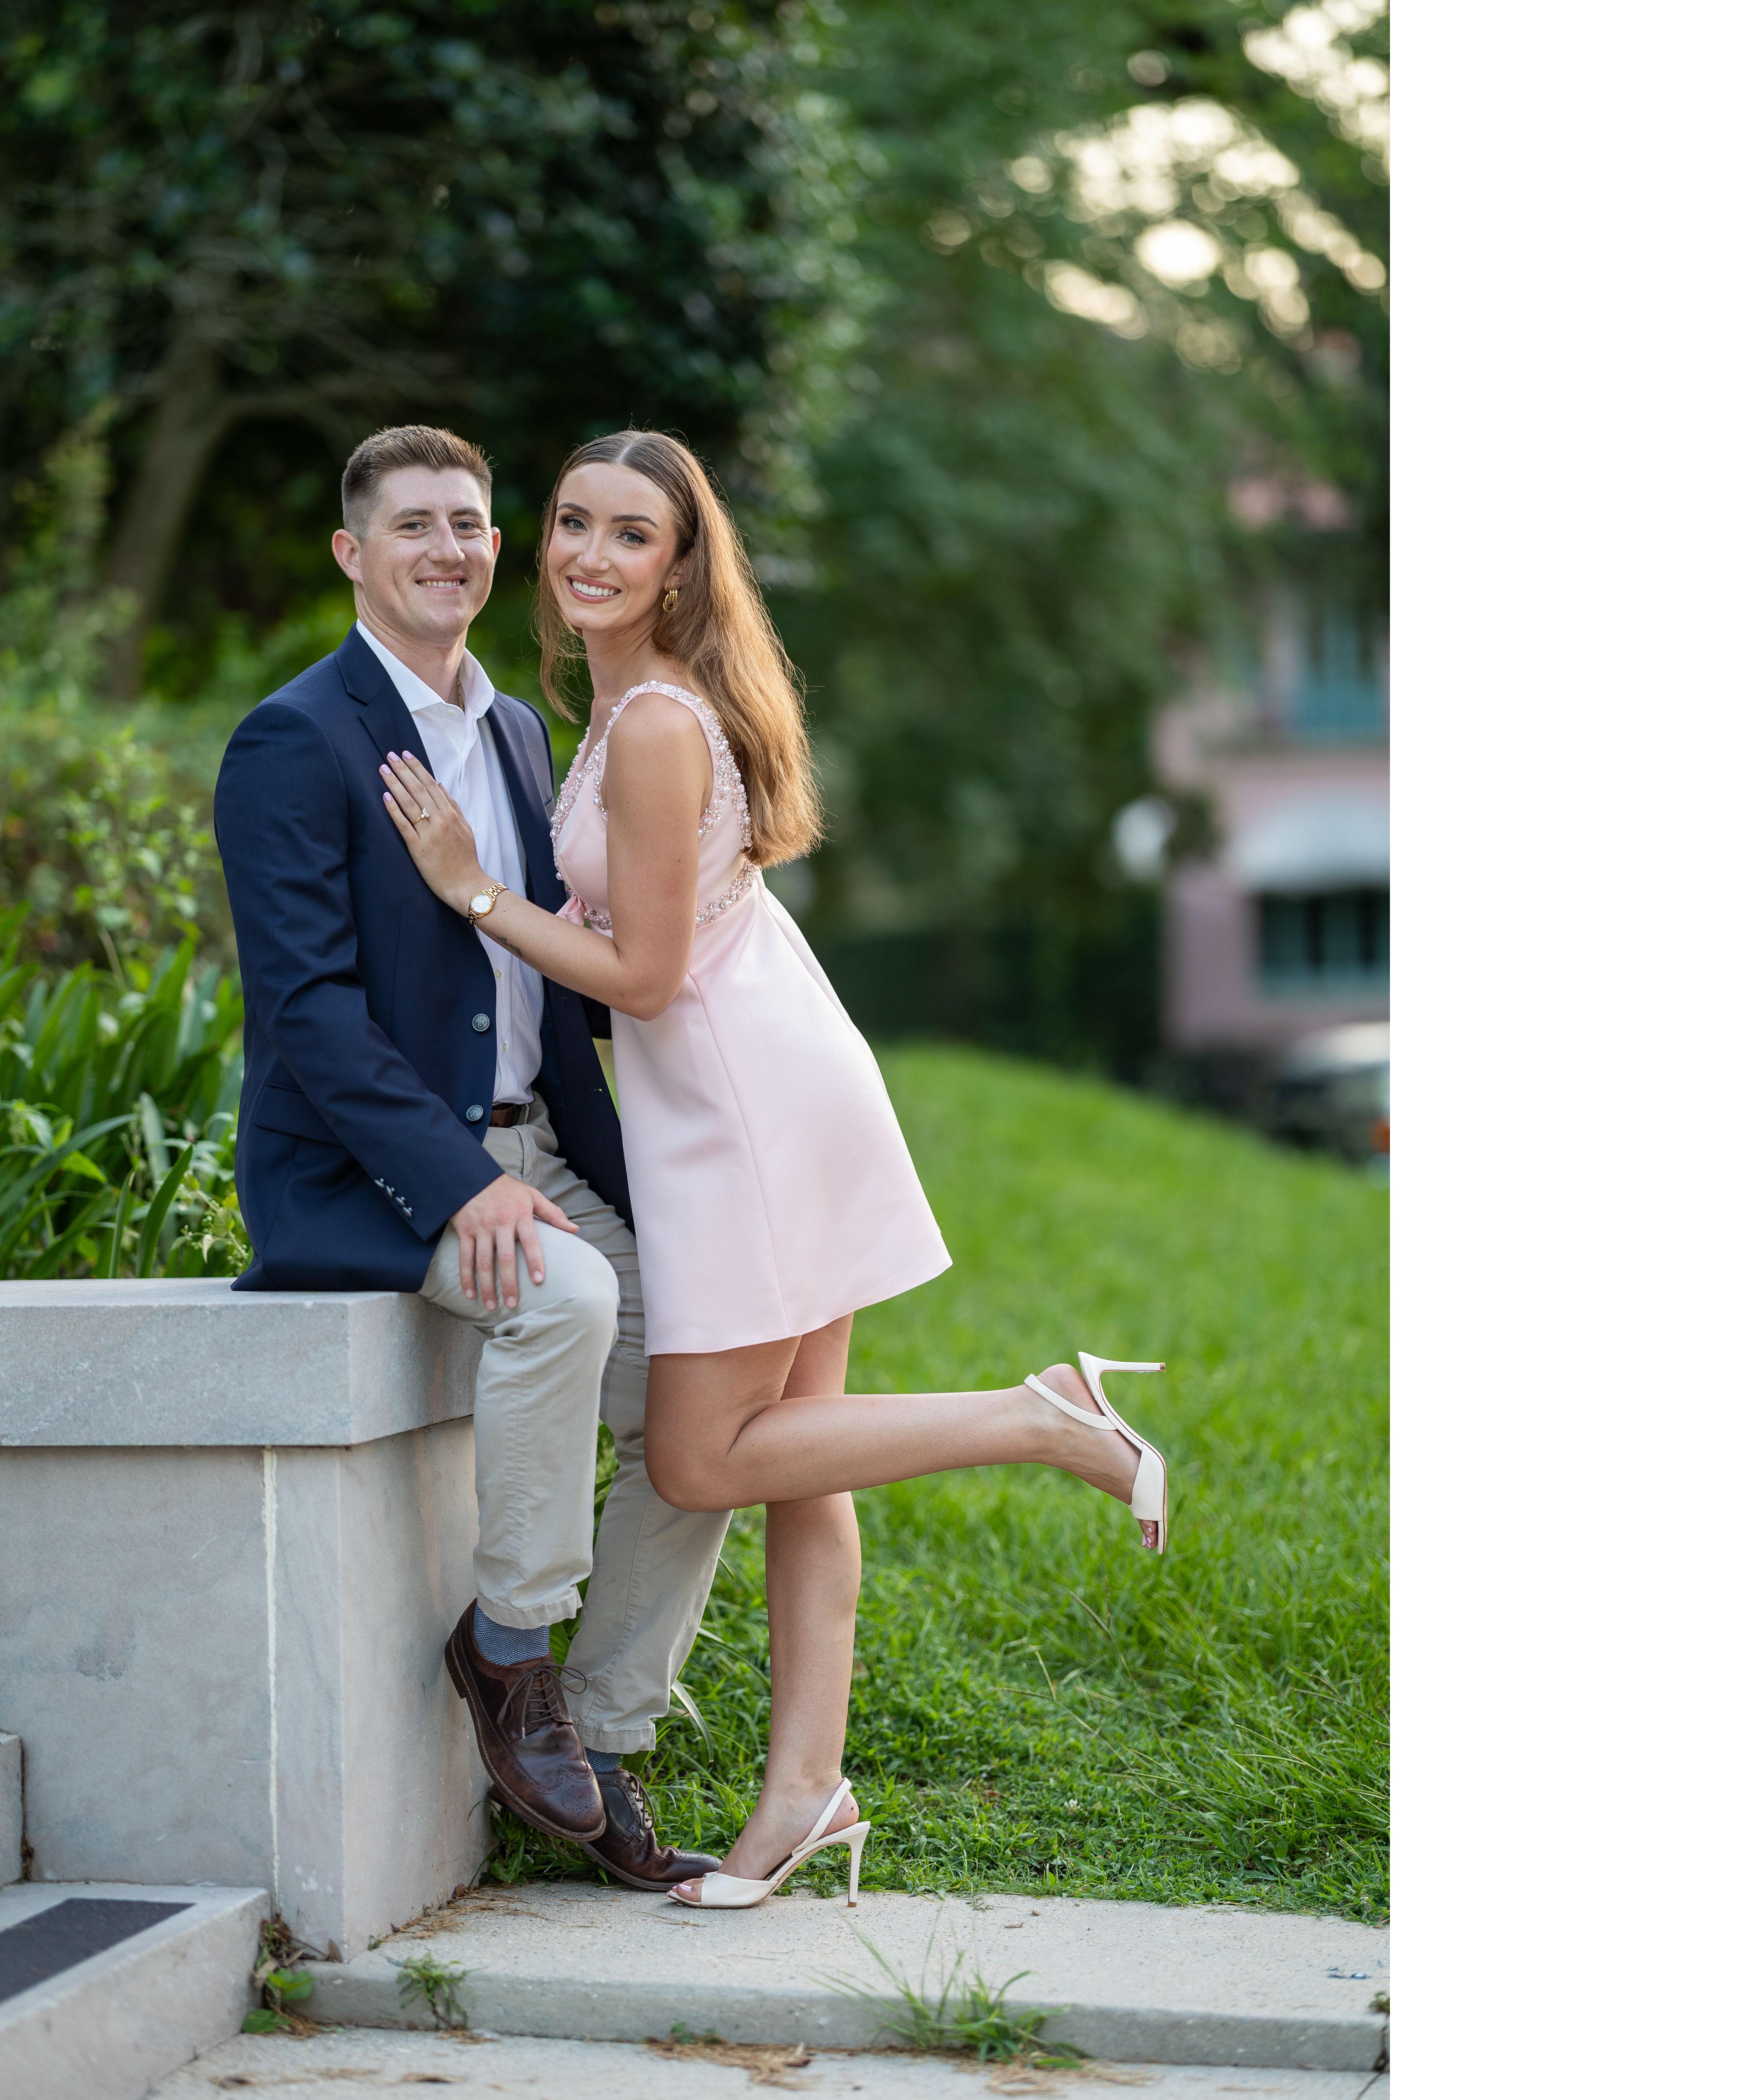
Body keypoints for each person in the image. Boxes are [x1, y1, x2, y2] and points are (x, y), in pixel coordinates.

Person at [378, 429, 1172, 1911]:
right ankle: (808, 1790)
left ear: (681, 568)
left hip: (743, 1113)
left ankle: (1041, 1417)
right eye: (573, 523)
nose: (590, 555)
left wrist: (471, 891)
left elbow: (647, 974)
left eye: (632, 535)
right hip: (763, 1082)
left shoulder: (656, 724)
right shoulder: (625, 706)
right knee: (810, 1459)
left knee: (703, 1459)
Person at [213, 424, 733, 1893]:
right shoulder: (294, 739)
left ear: (497, 549)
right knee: (566, 1300)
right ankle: (510, 1651)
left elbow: (561, 982)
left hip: (541, 1150)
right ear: (352, 553)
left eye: (468, 524)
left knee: (703, 1390)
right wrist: (462, 1184)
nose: (447, 548)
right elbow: (308, 1013)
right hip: (373, 1176)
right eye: (414, 525)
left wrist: (652, 1155)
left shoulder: (518, 733)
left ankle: (605, 1734)